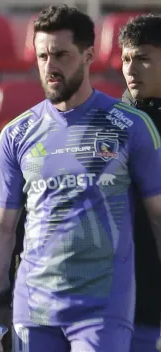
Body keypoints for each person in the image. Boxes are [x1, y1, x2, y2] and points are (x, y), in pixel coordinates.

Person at [0, 5, 161, 352]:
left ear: (88, 55)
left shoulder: (129, 126)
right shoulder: (16, 133)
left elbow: (157, 217)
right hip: (33, 309)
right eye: (42, 55)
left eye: (60, 54)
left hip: (104, 308)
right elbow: (1, 227)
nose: (49, 66)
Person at [118, 14, 161, 352]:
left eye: (143, 58)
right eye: (126, 59)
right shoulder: (106, 123)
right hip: (113, 296)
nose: (131, 69)